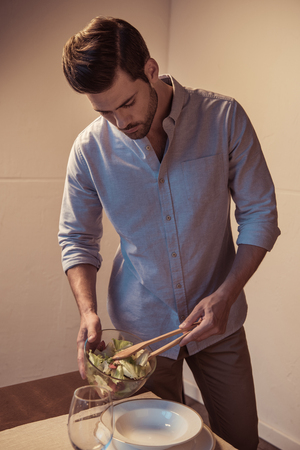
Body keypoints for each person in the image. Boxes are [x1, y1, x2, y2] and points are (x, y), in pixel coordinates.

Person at [58, 16, 280, 449]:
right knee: (144, 446)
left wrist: (227, 294)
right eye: (103, 111)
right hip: (138, 336)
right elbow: (77, 239)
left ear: (151, 70)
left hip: (221, 320)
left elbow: (260, 214)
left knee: (240, 440)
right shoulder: (89, 150)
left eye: (126, 103)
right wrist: (87, 311)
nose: (120, 121)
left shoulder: (223, 117)